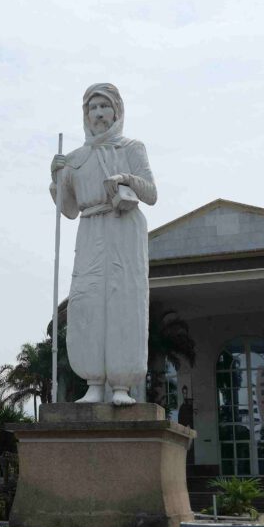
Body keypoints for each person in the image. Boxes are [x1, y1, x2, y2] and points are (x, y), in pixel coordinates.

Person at [50, 83, 157, 406]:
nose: (97, 113)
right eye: (92, 108)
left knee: (124, 300)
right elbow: (69, 210)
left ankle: (122, 384)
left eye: (103, 106)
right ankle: (93, 382)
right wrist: (56, 178)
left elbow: (151, 193)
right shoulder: (75, 158)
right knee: (87, 301)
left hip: (124, 226)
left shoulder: (132, 148)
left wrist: (125, 179)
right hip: (90, 228)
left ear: (116, 111)